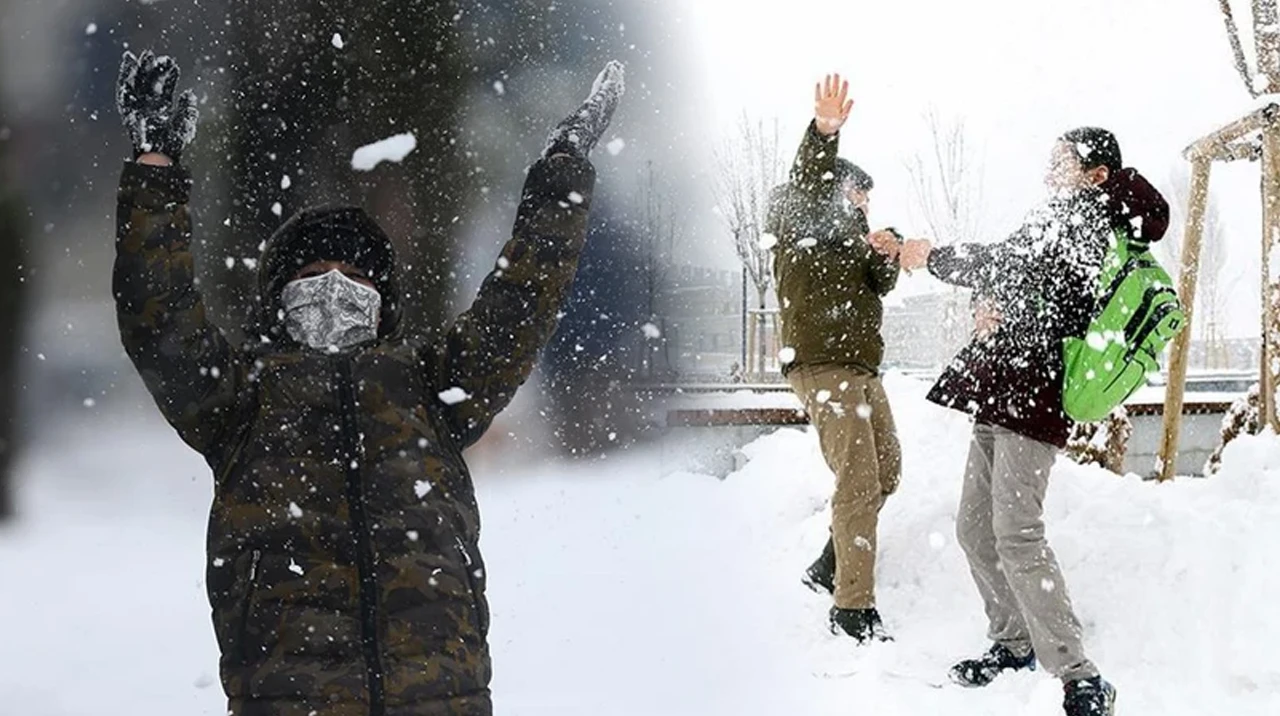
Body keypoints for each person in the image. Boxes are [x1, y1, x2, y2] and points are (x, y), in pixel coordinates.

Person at [112, 49, 622, 715]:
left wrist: (562, 173)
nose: (334, 287)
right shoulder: (239, 401)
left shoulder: (430, 385)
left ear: (383, 300)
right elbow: (162, 319)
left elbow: (518, 304)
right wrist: (155, 167)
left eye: (355, 276)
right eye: (313, 270)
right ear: (276, 298)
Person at [881, 127, 1169, 716]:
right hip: (1000, 386)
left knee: (1016, 532)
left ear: (1094, 173)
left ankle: (1079, 674)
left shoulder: (1089, 216)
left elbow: (1009, 265)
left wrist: (931, 257)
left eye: (1060, 161)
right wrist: (982, 304)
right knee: (972, 527)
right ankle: (1012, 642)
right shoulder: (1058, 214)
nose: (1048, 172)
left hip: (1034, 395)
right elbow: (1010, 277)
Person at [767, 73, 903, 643]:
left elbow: (880, 285)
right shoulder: (799, 215)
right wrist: (825, 131)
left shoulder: (853, 239)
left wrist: (888, 251)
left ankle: (830, 561)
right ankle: (852, 608)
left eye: (867, 198)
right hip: (822, 366)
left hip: (860, 369)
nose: (863, 203)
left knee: (887, 471)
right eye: (857, 193)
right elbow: (808, 179)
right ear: (833, 188)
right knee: (857, 481)